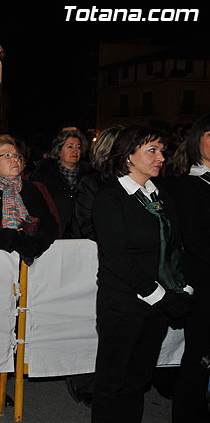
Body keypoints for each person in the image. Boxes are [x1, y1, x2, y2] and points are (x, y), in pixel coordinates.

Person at [91, 126, 193, 423]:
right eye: (153, 150)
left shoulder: (160, 194)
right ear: (128, 157)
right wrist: (160, 296)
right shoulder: (110, 198)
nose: (162, 157)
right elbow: (117, 259)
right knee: (112, 382)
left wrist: (182, 290)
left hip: (157, 307)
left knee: (138, 381)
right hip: (123, 305)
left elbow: (175, 248)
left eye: (162, 150)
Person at [0, 134, 57, 423]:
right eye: (7, 155)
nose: (15, 159)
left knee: (12, 328)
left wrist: (35, 243)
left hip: (25, 273)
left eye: (16, 155)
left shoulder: (29, 190)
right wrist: (13, 239)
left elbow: (51, 224)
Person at [64, 126, 123, 407]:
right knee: (87, 322)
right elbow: (86, 225)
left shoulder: (138, 184)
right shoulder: (91, 183)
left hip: (123, 266)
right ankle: (84, 377)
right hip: (91, 262)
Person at [171, 113, 210, 423]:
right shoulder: (189, 186)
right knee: (198, 355)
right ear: (198, 142)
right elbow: (195, 242)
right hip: (203, 283)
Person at [31, 129, 89, 238]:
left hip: (81, 236)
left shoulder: (88, 174)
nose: (75, 151)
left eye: (78, 147)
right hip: (52, 234)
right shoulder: (44, 173)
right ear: (59, 150)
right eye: (70, 146)